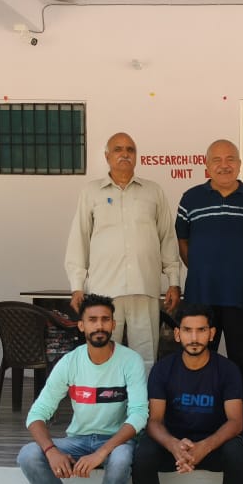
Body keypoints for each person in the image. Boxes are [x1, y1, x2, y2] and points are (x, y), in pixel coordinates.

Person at [16, 294, 148, 484]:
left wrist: (102, 452)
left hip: (117, 440)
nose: (99, 326)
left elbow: (138, 415)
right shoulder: (70, 362)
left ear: (113, 324)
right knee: (28, 454)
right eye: (92, 320)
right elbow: (37, 414)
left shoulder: (130, 360)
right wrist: (51, 451)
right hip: (79, 439)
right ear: (82, 326)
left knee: (121, 459)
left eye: (105, 320)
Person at [128, 304, 243, 484]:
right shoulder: (163, 369)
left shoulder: (227, 370)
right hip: (174, 446)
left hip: (212, 445)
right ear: (177, 334)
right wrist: (174, 446)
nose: (194, 338)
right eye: (187, 330)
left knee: (238, 453)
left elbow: (236, 422)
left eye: (201, 330)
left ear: (212, 333)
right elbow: (154, 421)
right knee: (142, 455)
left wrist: (204, 447)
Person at [65, 132, 180, 367]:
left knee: (145, 356)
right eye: (118, 149)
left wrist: (174, 281)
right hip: (104, 290)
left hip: (144, 286)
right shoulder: (91, 192)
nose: (125, 154)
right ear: (107, 156)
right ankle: (107, 403)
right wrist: (77, 285)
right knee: (102, 352)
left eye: (130, 149)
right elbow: (79, 239)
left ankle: (141, 404)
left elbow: (167, 238)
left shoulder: (153, 191)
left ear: (136, 156)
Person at [176, 139, 243, 444]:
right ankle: (198, 423)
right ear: (207, 166)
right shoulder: (191, 199)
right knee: (198, 363)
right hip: (201, 298)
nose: (224, 165)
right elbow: (183, 244)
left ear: (239, 164)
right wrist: (205, 269)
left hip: (241, 296)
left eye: (230, 159)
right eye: (217, 159)